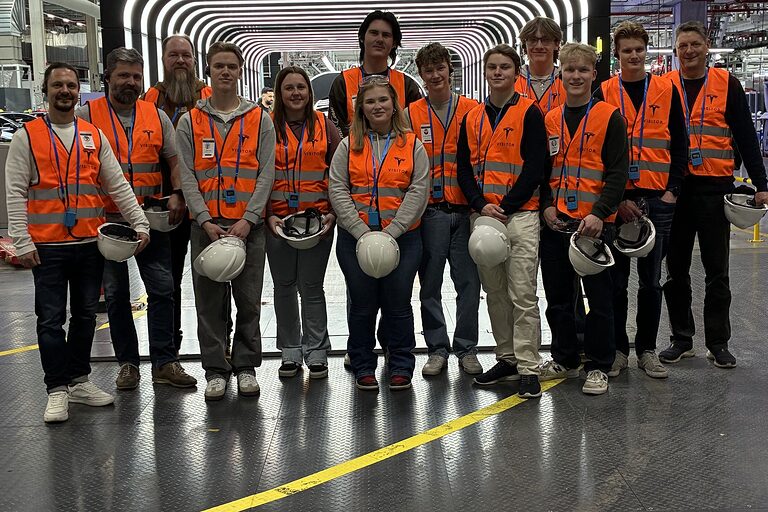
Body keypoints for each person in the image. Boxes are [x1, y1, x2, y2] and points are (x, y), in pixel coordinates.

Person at [5, 62, 150, 423]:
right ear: (45, 90)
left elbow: (116, 184)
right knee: (50, 320)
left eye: (71, 85)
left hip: (88, 244)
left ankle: (79, 381)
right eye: (58, 85)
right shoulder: (28, 136)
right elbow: (15, 192)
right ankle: (56, 389)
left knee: (85, 315)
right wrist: (22, 241)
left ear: (78, 91)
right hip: (47, 247)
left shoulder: (92, 136)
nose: (65, 91)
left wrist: (140, 223)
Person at [77, 47, 197, 390]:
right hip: (108, 221)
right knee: (116, 295)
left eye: (136, 77)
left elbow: (174, 160)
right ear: (108, 78)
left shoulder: (155, 116)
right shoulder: (87, 116)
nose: (130, 82)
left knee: (162, 289)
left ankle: (165, 362)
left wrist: (178, 192)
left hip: (150, 218)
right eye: (123, 76)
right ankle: (128, 364)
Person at [661, 21, 768, 368]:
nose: (689, 51)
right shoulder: (664, 86)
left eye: (695, 44)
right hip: (676, 190)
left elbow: (746, 136)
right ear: (675, 51)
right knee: (675, 270)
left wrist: (761, 184)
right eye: (682, 46)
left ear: (706, 46)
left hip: (714, 188)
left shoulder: (727, 84)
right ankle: (681, 339)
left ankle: (718, 343)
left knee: (717, 271)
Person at [176, 42, 275, 400]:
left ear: (240, 71)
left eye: (231, 66)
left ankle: (246, 366)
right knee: (209, 303)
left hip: (249, 227)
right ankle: (216, 369)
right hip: (207, 227)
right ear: (208, 70)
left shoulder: (260, 119)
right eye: (219, 66)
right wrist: (204, 220)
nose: (225, 72)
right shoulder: (190, 121)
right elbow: (187, 175)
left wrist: (249, 219)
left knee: (248, 301)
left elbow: (266, 173)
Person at [594, 22, 687, 379]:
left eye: (639, 49)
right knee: (616, 282)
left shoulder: (666, 89)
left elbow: (680, 144)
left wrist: (672, 190)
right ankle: (619, 350)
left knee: (651, 282)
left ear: (646, 51)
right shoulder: (604, 92)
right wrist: (613, 200)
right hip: (619, 202)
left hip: (657, 199)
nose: (633, 55)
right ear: (616, 54)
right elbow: (595, 152)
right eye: (626, 50)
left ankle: (647, 350)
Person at [455, 44, 547, 399]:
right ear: (485, 71)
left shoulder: (530, 113)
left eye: (504, 67)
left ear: (516, 72)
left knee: (522, 293)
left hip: (520, 215)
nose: (497, 72)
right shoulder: (472, 117)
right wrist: (480, 204)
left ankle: (528, 366)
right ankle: (507, 358)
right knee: (494, 292)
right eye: (492, 67)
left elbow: (535, 167)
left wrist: (504, 206)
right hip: (484, 218)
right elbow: (464, 169)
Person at [329, 75, 429, 391]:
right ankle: (363, 365)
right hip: (355, 238)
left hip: (403, 237)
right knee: (362, 305)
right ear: (361, 108)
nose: (377, 106)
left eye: (383, 99)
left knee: (398, 303)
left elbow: (418, 190)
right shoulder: (348, 145)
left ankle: (401, 364)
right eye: (369, 101)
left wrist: (393, 231)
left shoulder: (412, 144)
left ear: (394, 104)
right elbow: (338, 188)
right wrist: (361, 232)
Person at [540, 43, 629, 395]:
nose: (575, 76)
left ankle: (598, 365)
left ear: (594, 74)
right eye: (569, 70)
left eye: (582, 70)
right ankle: (565, 357)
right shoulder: (550, 119)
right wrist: (546, 205)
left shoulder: (610, 117)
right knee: (559, 298)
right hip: (558, 222)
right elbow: (543, 171)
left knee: (599, 299)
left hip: (594, 226)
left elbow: (617, 173)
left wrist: (599, 213)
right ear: (560, 74)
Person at [404, 43, 482, 377]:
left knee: (469, 284)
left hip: (466, 210)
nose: (435, 75)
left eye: (440, 68)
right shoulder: (409, 114)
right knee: (430, 285)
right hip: (430, 213)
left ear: (450, 70)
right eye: (428, 70)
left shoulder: (473, 110)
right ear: (420, 74)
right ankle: (437, 349)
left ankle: (467, 348)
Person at [143, 34, 217, 356]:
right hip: (167, 207)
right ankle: (169, 349)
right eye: (173, 55)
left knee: (213, 279)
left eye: (186, 55)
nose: (180, 61)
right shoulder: (151, 99)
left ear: (194, 60)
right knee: (167, 282)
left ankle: (220, 346)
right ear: (163, 60)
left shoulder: (209, 96)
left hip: (206, 205)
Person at [266, 66, 341, 379]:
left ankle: (317, 352)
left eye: (301, 87)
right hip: (277, 222)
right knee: (283, 286)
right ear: (279, 93)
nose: (295, 93)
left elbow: (339, 173)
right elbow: (256, 173)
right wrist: (266, 214)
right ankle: (290, 352)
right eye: (289, 88)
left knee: (311, 287)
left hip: (317, 222)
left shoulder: (326, 127)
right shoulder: (266, 126)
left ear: (309, 93)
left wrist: (333, 213)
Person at [328, 9, 422, 136]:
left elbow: (415, 127)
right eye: (374, 33)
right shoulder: (343, 82)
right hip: (354, 147)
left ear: (394, 43)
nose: (380, 39)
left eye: (386, 35)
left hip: (399, 148)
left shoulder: (407, 85)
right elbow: (336, 131)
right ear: (362, 37)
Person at [515, 17, 567, 116]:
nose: (539, 46)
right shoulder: (513, 80)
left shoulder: (567, 80)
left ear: (557, 44)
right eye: (533, 40)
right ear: (524, 44)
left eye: (545, 40)